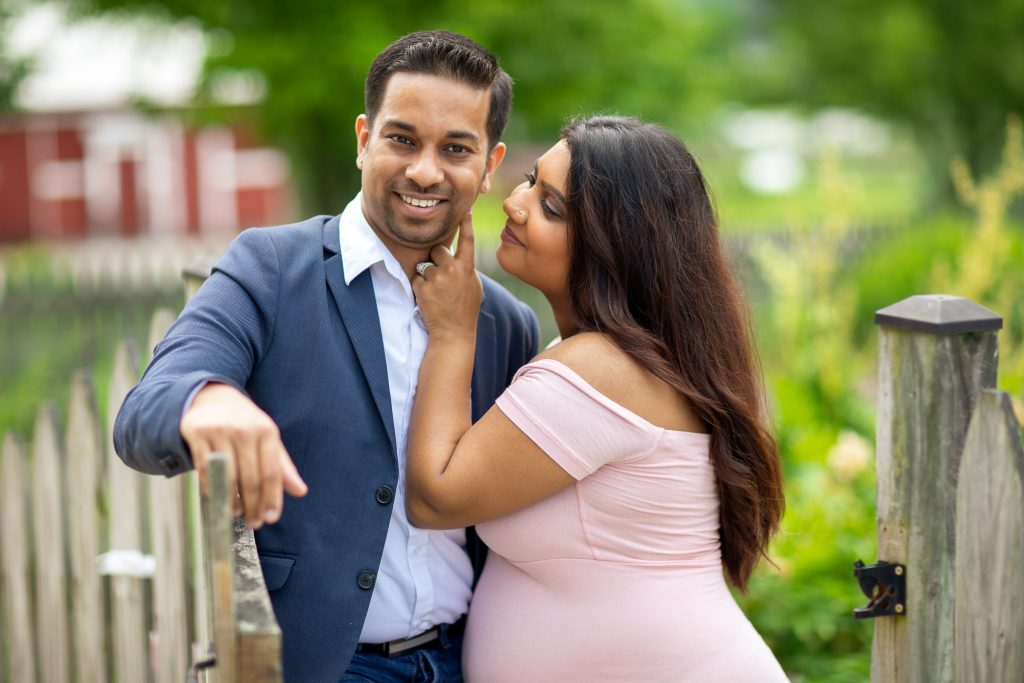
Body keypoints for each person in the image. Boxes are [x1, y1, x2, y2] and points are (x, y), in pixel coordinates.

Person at [114, 31, 539, 682]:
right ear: (364, 137)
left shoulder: (508, 324)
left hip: (469, 659)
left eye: (455, 148)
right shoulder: (272, 266)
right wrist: (209, 398)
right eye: (402, 139)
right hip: (319, 663)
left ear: (489, 164)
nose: (425, 170)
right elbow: (144, 410)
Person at [406, 115, 787, 682]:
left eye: (552, 207)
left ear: (616, 248)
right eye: (531, 180)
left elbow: (436, 498)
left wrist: (454, 332)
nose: (515, 203)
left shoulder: (598, 370)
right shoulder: (621, 358)